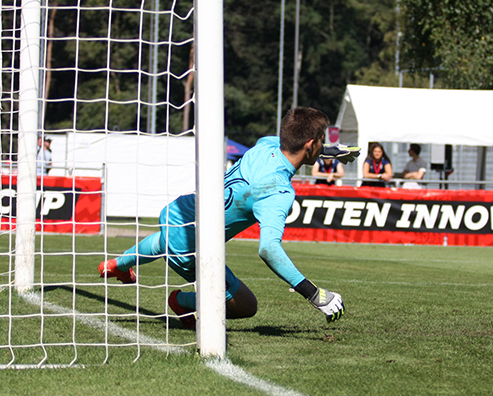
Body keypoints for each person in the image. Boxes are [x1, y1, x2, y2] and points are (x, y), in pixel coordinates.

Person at [98, 107, 347, 329]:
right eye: (321, 140)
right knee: (248, 306)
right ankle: (181, 301)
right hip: (191, 249)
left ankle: (117, 264)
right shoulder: (279, 191)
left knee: (168, 238)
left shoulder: (266, 145)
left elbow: (294, 144)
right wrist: (314, 294)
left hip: (177, 211)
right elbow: (269, 248)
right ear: (311, 143)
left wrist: (327, 151)